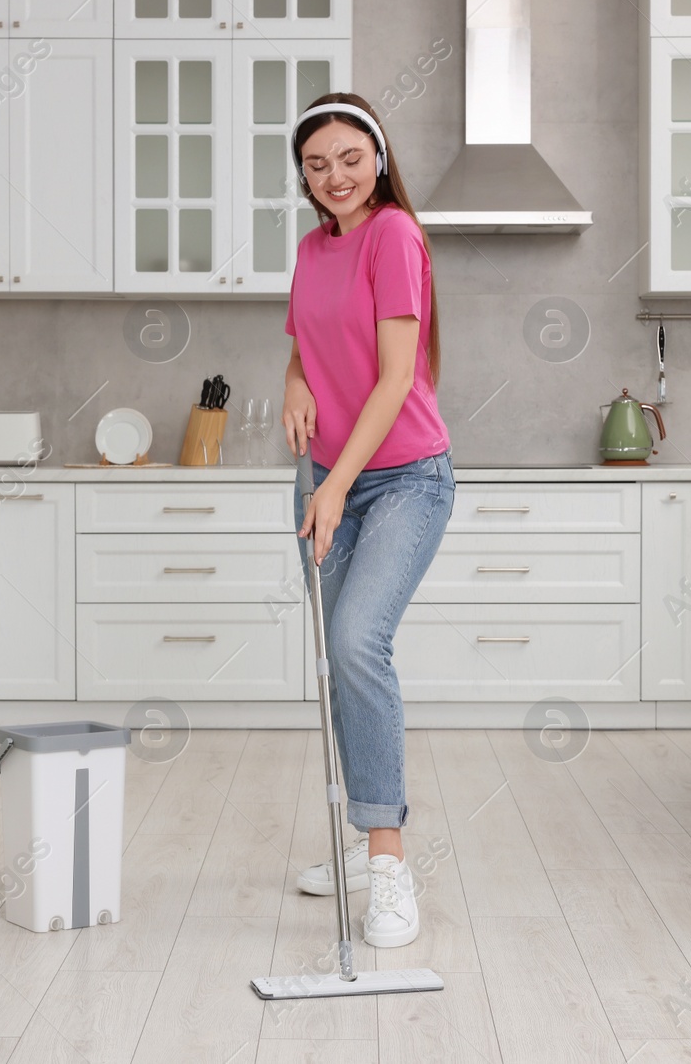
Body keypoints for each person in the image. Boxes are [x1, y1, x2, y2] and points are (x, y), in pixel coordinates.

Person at [281, 93, 454, 950]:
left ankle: (388, 862)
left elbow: (394, 378)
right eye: (317, 164)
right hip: (332, 479)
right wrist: (293, 382)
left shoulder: (395, 235)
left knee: (357, 643)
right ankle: (358, 847)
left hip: (404, 480)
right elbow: (307, 337)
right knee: (338, 664)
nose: (335, 176)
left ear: (378, 159)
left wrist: (335, 484)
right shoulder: (314, 249)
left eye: (350, 158)